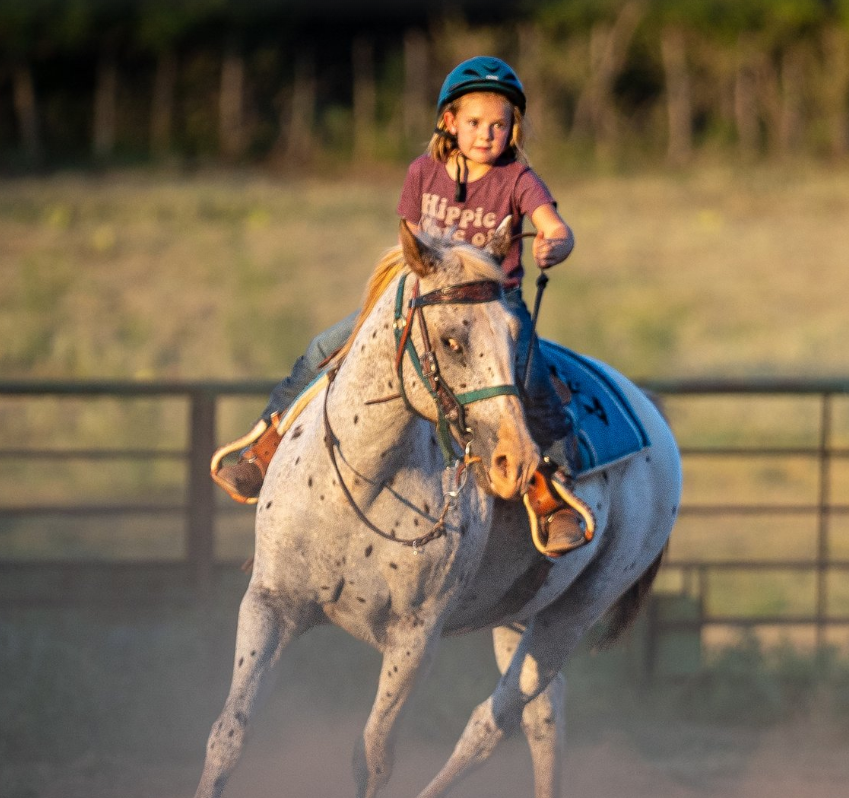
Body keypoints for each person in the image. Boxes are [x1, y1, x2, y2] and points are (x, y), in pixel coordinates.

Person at [213, 56, 587, 553]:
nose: (487, 134)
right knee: (325, 346)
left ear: (513, 128)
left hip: (492, 304)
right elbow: (408, 246)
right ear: (449, 122)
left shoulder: (517, 178)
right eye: (475, 122)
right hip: (421, 296)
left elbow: (553, 224)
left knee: (529, 377)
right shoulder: (422, 172)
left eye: (500, 124)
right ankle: (269, 445)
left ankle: (554, 485)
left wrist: (554, 242)